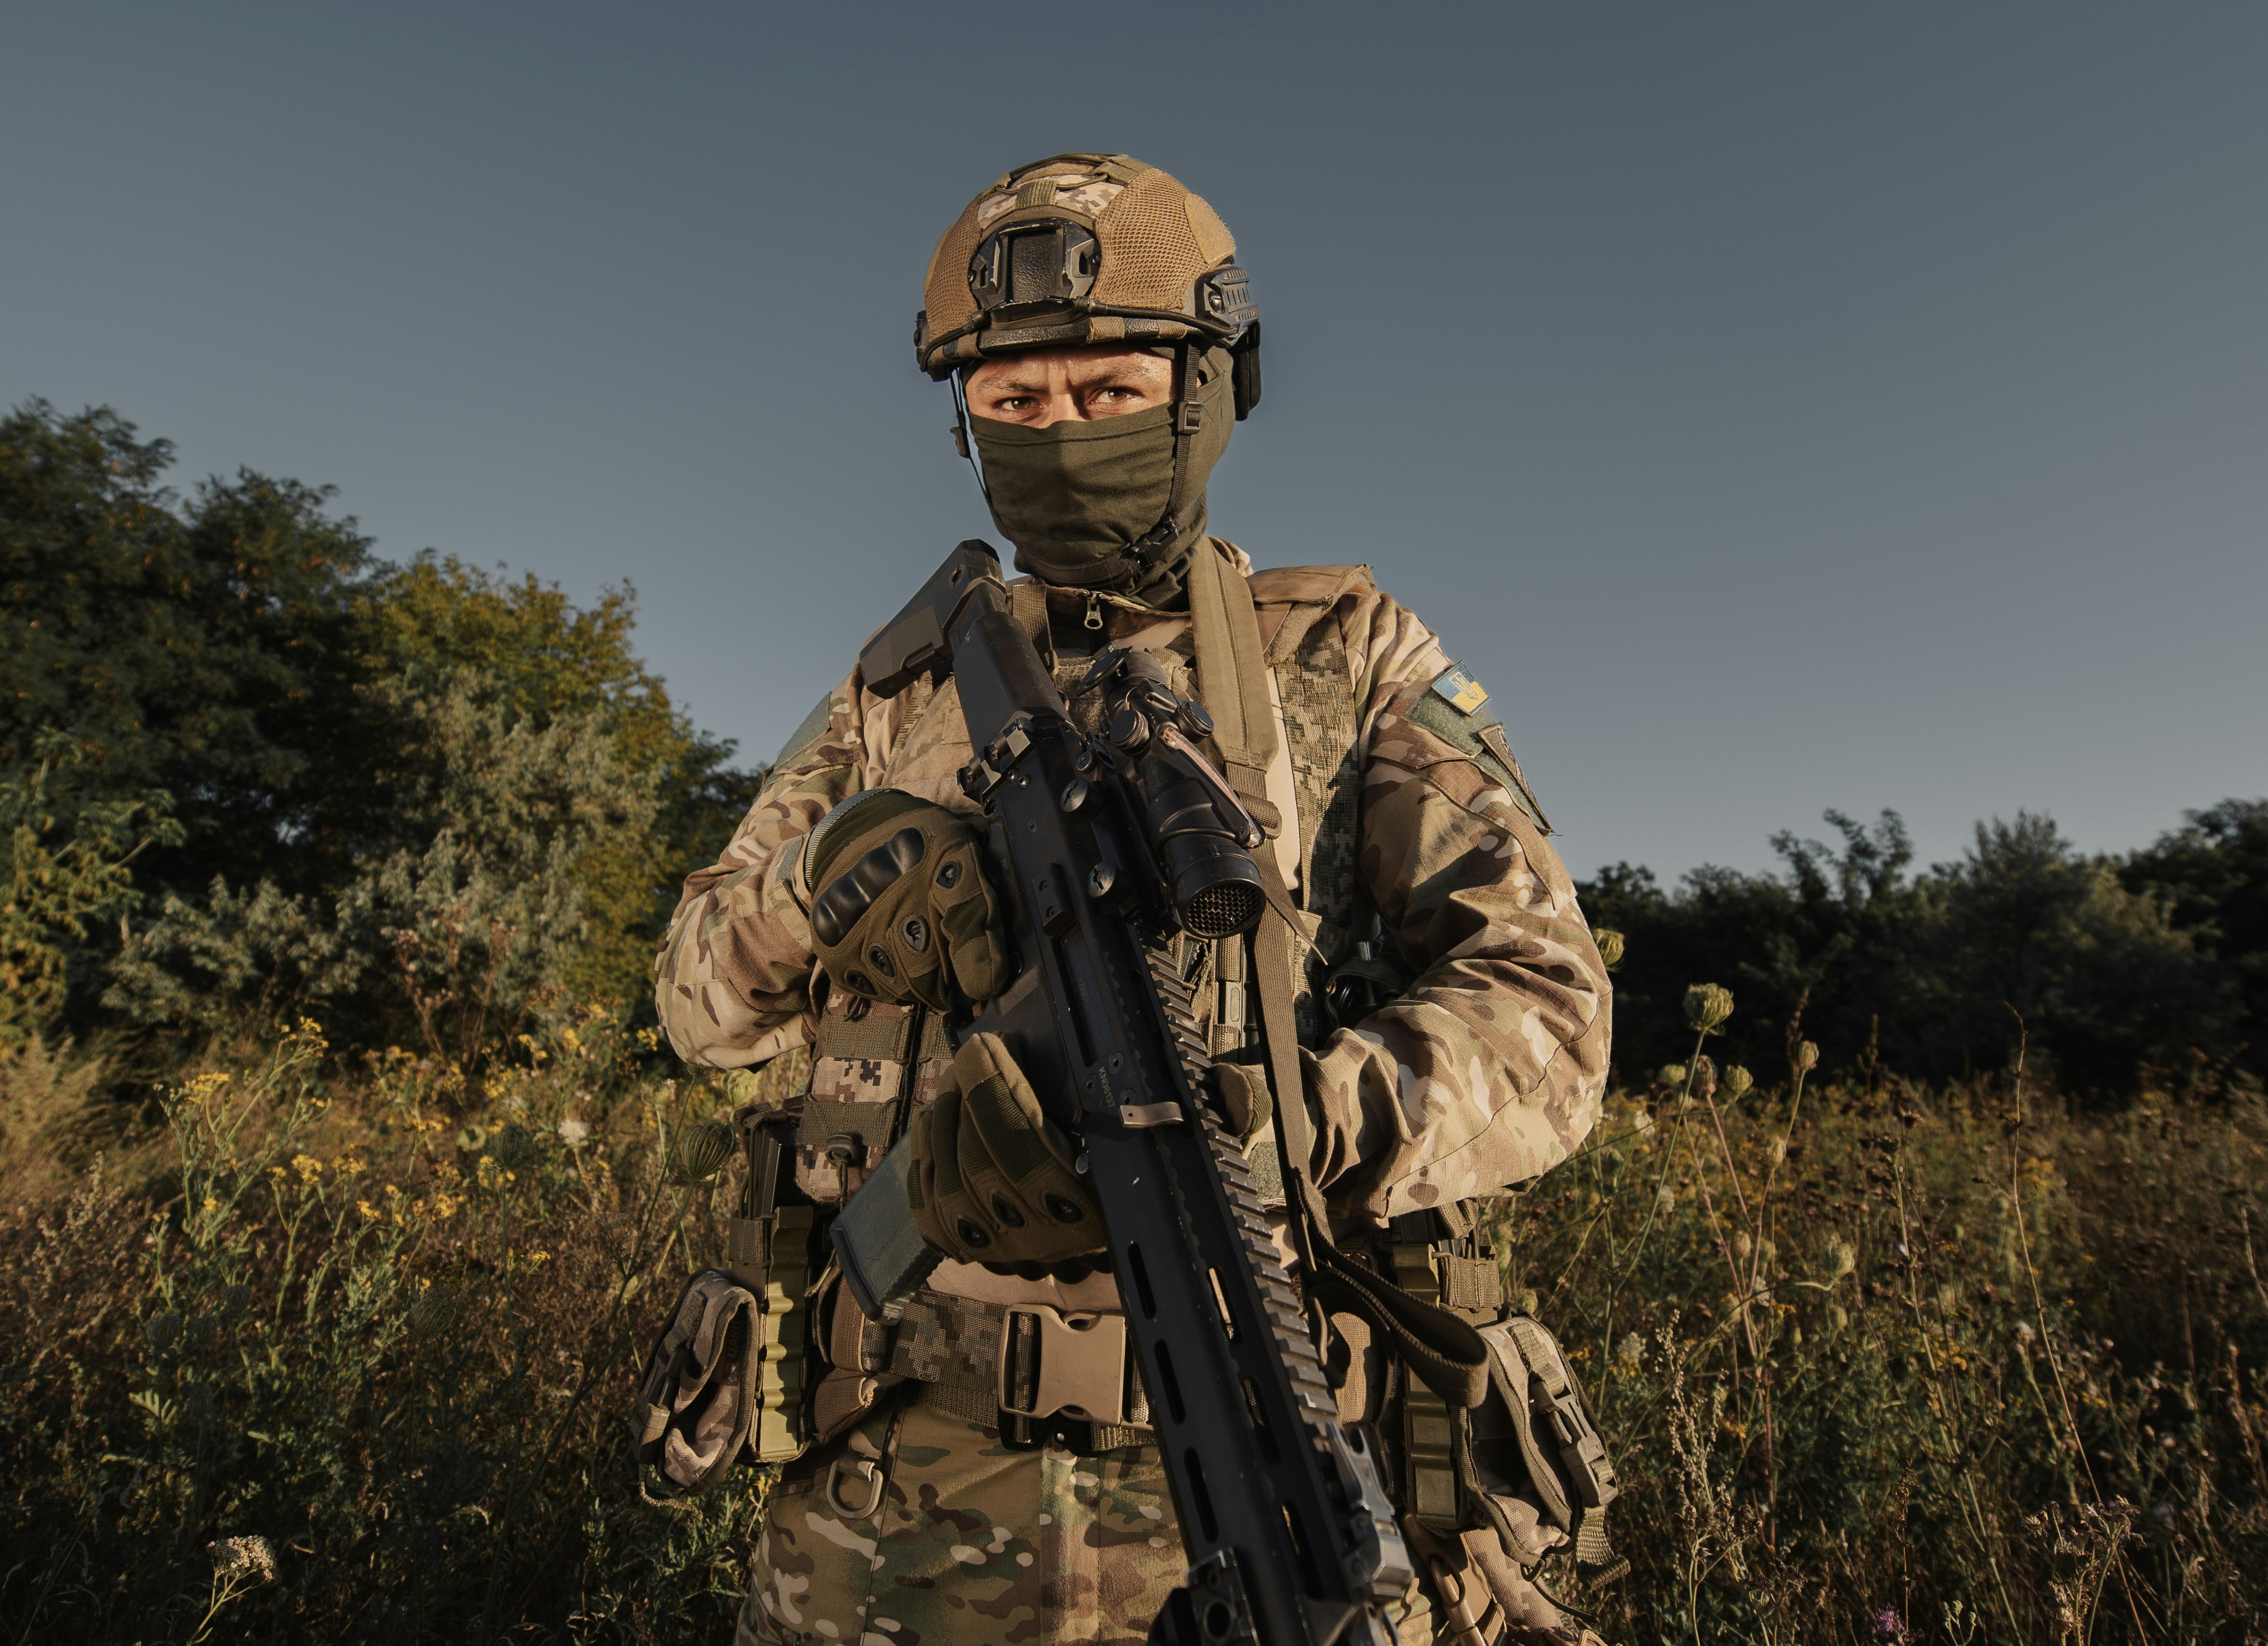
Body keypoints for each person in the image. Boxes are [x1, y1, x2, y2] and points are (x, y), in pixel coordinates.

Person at [656, 152, 1615, 1646]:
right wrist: (819, 884)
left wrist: (1295, 1119)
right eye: (1012, 404)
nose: (1057, 434)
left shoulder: (1344, 654)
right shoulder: (896, 691)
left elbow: (1549, 1014)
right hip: (890, 1520)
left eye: (1104, 392)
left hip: (1260, 1448)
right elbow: (697, 1009)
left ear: (1206, 389)